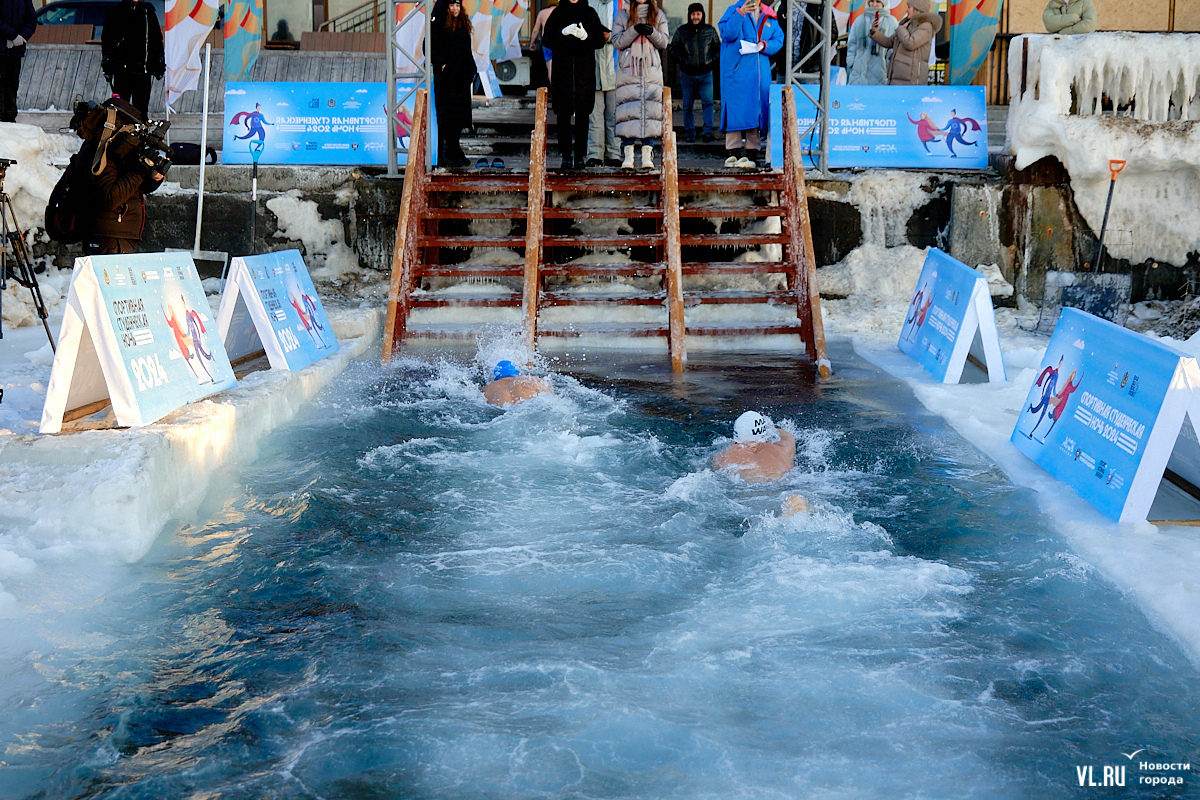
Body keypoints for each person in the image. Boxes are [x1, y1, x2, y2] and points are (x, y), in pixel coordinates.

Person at [76, 98, 166, 255]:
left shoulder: (117, 151)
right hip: (109, 238)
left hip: (118, 236)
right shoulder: (99, 153)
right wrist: (139, 169)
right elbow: (110, 198)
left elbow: (132, 187)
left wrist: (152, 177)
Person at [718, 0, 783, 170]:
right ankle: (732, 153)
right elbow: (727, 34)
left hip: (758, 74)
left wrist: (764, 45)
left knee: (755, 110)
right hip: (736, 72)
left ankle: (752, 153)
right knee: (735, 111)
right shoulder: (733, 10)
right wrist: (740, 14)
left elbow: (779, 39)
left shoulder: (769, 15)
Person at [542, 0, 606, 169]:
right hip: (563, 74)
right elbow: (546, 39)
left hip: (583, 74)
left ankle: (579, 155)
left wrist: (586, 37)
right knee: (563, 116)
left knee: (583, 115)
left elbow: (600, 41)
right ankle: (565, 156)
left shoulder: (590, 12)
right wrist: (561, 33)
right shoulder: (558, 13)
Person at [611, 0, 667, 171]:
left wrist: (652, 32)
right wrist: (634, 30)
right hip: (629, 70)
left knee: (649, 110)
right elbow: (617, 41)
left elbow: (664, 42)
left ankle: (646, 154)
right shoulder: (623, 14)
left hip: (651, 70)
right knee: (629, 110)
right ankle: (628, 155)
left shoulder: (658, 14)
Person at [101, 0, 166, 118]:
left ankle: (139, 134)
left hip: (143, 70)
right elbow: (107, 40)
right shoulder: (115, 12)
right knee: (121, 109)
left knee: (141, 110)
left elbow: (156, 40)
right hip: (122, 69)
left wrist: (159, 63)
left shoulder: (148, 13)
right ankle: (121, 134)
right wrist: (107, 63)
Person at [432, 0, 477, 168]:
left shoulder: (463, 25)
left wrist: (472, 69)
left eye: (458, 6)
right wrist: (442, 65)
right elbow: (429, 47)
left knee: (459, 117)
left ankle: (454, 148)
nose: (455, 9)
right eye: (452, 5)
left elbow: (467, 50)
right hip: (447, 78)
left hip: (461, 77)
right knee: (446, 117)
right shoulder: (440, 23)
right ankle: (449, 150)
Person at [668, 3, 719, 143]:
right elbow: (672, 49)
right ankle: (690, 132)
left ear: (702, 15)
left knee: (708, 103)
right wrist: (684, 61)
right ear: (689, 15)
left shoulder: (710, 30)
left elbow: (718, 48)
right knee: (687, 105)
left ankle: (708, 132)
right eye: (693, 14)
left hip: (706, 73)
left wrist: (710, 61)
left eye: (698, 14)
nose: (695, 17)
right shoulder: (681, 31)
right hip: (687, 74)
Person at [869, 0, 941, 86]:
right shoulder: (907, 24)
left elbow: (910, 43)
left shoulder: (926, 26)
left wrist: (901, 29)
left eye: (909, 7)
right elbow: (889, 42)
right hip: (898, 76)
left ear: (917, 9)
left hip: (912, 79)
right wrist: (875, 32)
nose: (906, 10)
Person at [712, 411, 796, 482]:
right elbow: (787, 436)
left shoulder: (723, 458)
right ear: (766, 437)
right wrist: (771, 428)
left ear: (735, 442)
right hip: (784, 485)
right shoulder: (784, 448)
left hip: (749, 492)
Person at [585, 0, 620, 168]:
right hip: (593, 70)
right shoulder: (588, 3)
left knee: (614, 116)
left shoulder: (621, 3)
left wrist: (610, 36)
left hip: (616, 70)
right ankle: (594, 154)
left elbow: (628, 32)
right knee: (594, 116)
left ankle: (614, 153)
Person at [0, 0, 35, 124]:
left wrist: (21, 37)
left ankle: (10, 118)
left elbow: (31, 20)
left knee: (12, 84)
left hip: (15, 50)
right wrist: (13, 35)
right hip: (2, 48)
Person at [846, 0, 895, 85]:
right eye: (871, 1)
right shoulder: (859, 20)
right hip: (858, 73)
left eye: (878, 1)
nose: (874, 4)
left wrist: (888, 67)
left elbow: (892, 49)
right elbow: (852, 43)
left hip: (881, 73)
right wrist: (851, 62)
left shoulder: (891, 22)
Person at [482, 360, 553, 407]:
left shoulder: (488, 388)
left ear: (496, 377)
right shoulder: (529, 380)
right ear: (517, 373)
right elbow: (552, 398)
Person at [529, 0, 557, 81]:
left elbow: (535, 30)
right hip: (560, 41)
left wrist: (532, 42)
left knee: (550, 68)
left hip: (547, 42)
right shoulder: (563, 12)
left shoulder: (542, 13)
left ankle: (553, 89)